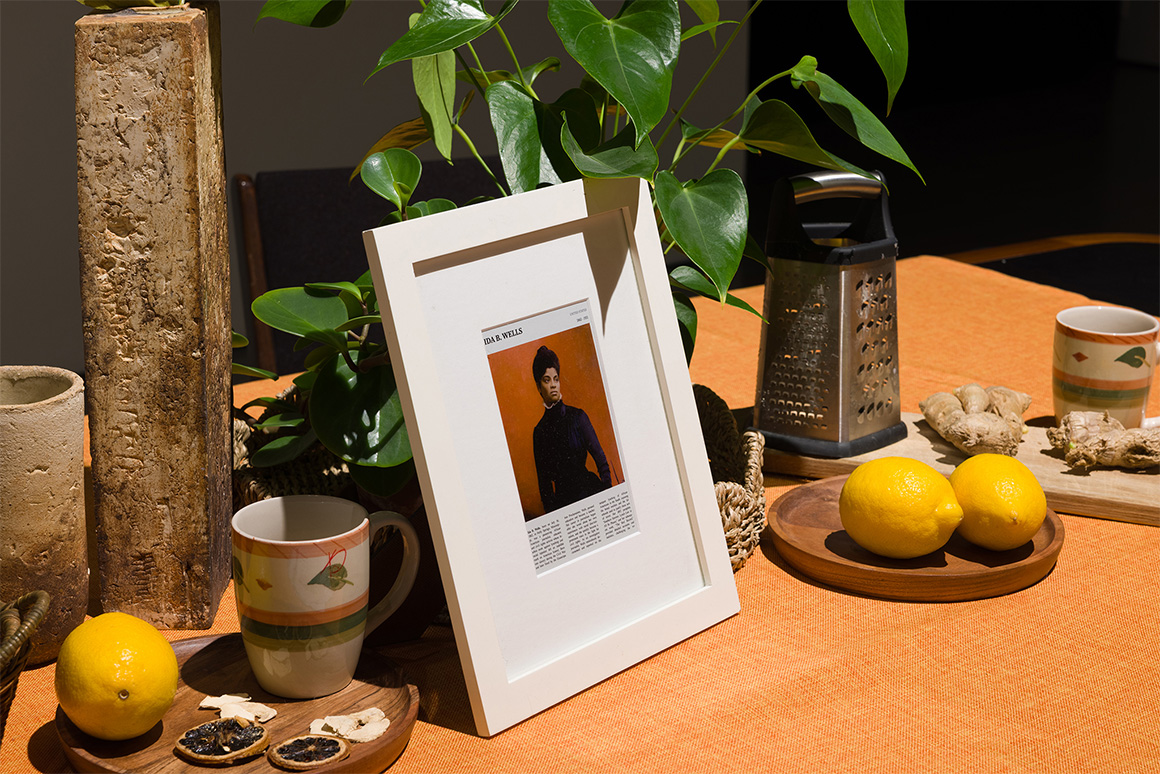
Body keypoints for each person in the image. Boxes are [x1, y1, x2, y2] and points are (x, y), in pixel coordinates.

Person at [530, 345, 611, 517]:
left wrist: (608, 497)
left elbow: (602, 462)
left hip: (591, 493)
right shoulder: (539, 433)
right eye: (546, 380)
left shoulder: (578, 417)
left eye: (556, 379)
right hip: (564, 508)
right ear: (538, 386)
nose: (553, 385)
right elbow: (545, 487)